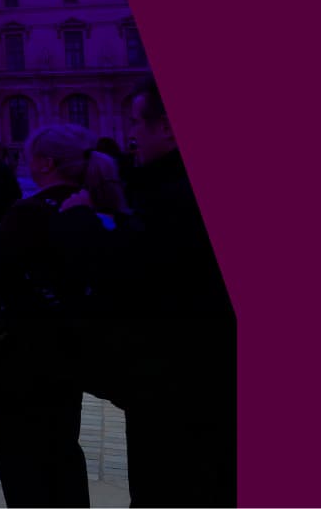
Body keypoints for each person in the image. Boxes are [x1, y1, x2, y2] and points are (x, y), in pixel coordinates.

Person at [0, 123, 131, 509]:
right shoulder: (99, 208)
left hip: (22, 354)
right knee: (63, 448)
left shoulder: (28, 215)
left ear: (45, 163)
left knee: (22, 462)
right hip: (70, 352)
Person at [118, 78, 235, 506]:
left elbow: (137, 283)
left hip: (173, 373)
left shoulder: (166, 199)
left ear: (167, 127)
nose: (132, 134)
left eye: (137, 123)